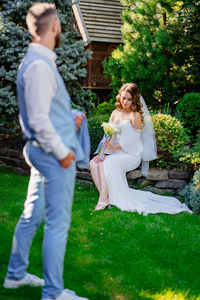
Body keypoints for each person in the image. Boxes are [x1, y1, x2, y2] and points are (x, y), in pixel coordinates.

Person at [3, 3, 89, 300]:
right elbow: (38, 120)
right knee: (57, 224)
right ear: (54, 27)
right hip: (52, 155)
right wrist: (63, 152)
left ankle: (15, 275)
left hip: (40, 151)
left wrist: (70, 116)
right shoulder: (40, 65)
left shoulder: (36, 61)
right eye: (61, 25)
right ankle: (53, 293)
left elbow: (42, 111)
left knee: (32, 214)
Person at [90, 83, 192, 215]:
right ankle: (106, 197)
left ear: (134, 100)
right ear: (119, 96)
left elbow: (133, 142)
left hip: (132, 154)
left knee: (107, 164)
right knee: (94, 163)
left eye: (129, 99)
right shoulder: (115, 113)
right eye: (123, 98)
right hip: (116, 152)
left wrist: (112, 147)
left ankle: (103, 200)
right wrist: (102, 153)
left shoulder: (135, 115)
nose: (125, 102)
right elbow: (108, 135)